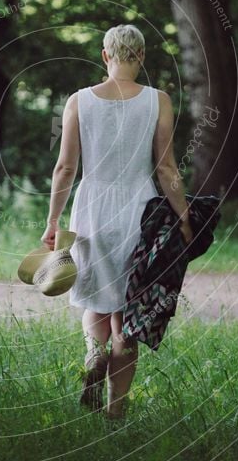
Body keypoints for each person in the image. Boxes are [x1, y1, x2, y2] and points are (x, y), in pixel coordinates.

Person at [41, 24, 193, 420]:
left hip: (91, 210)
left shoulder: (79, 101)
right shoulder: (158, 101)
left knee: (95, 300)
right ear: (141, 57)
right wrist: (184, 215)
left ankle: (93, 354)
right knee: (127, 312)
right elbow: (166, 168)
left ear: (105, 55)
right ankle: (115, 413)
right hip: (139, 212)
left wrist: (53, 221)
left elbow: (65, 167)